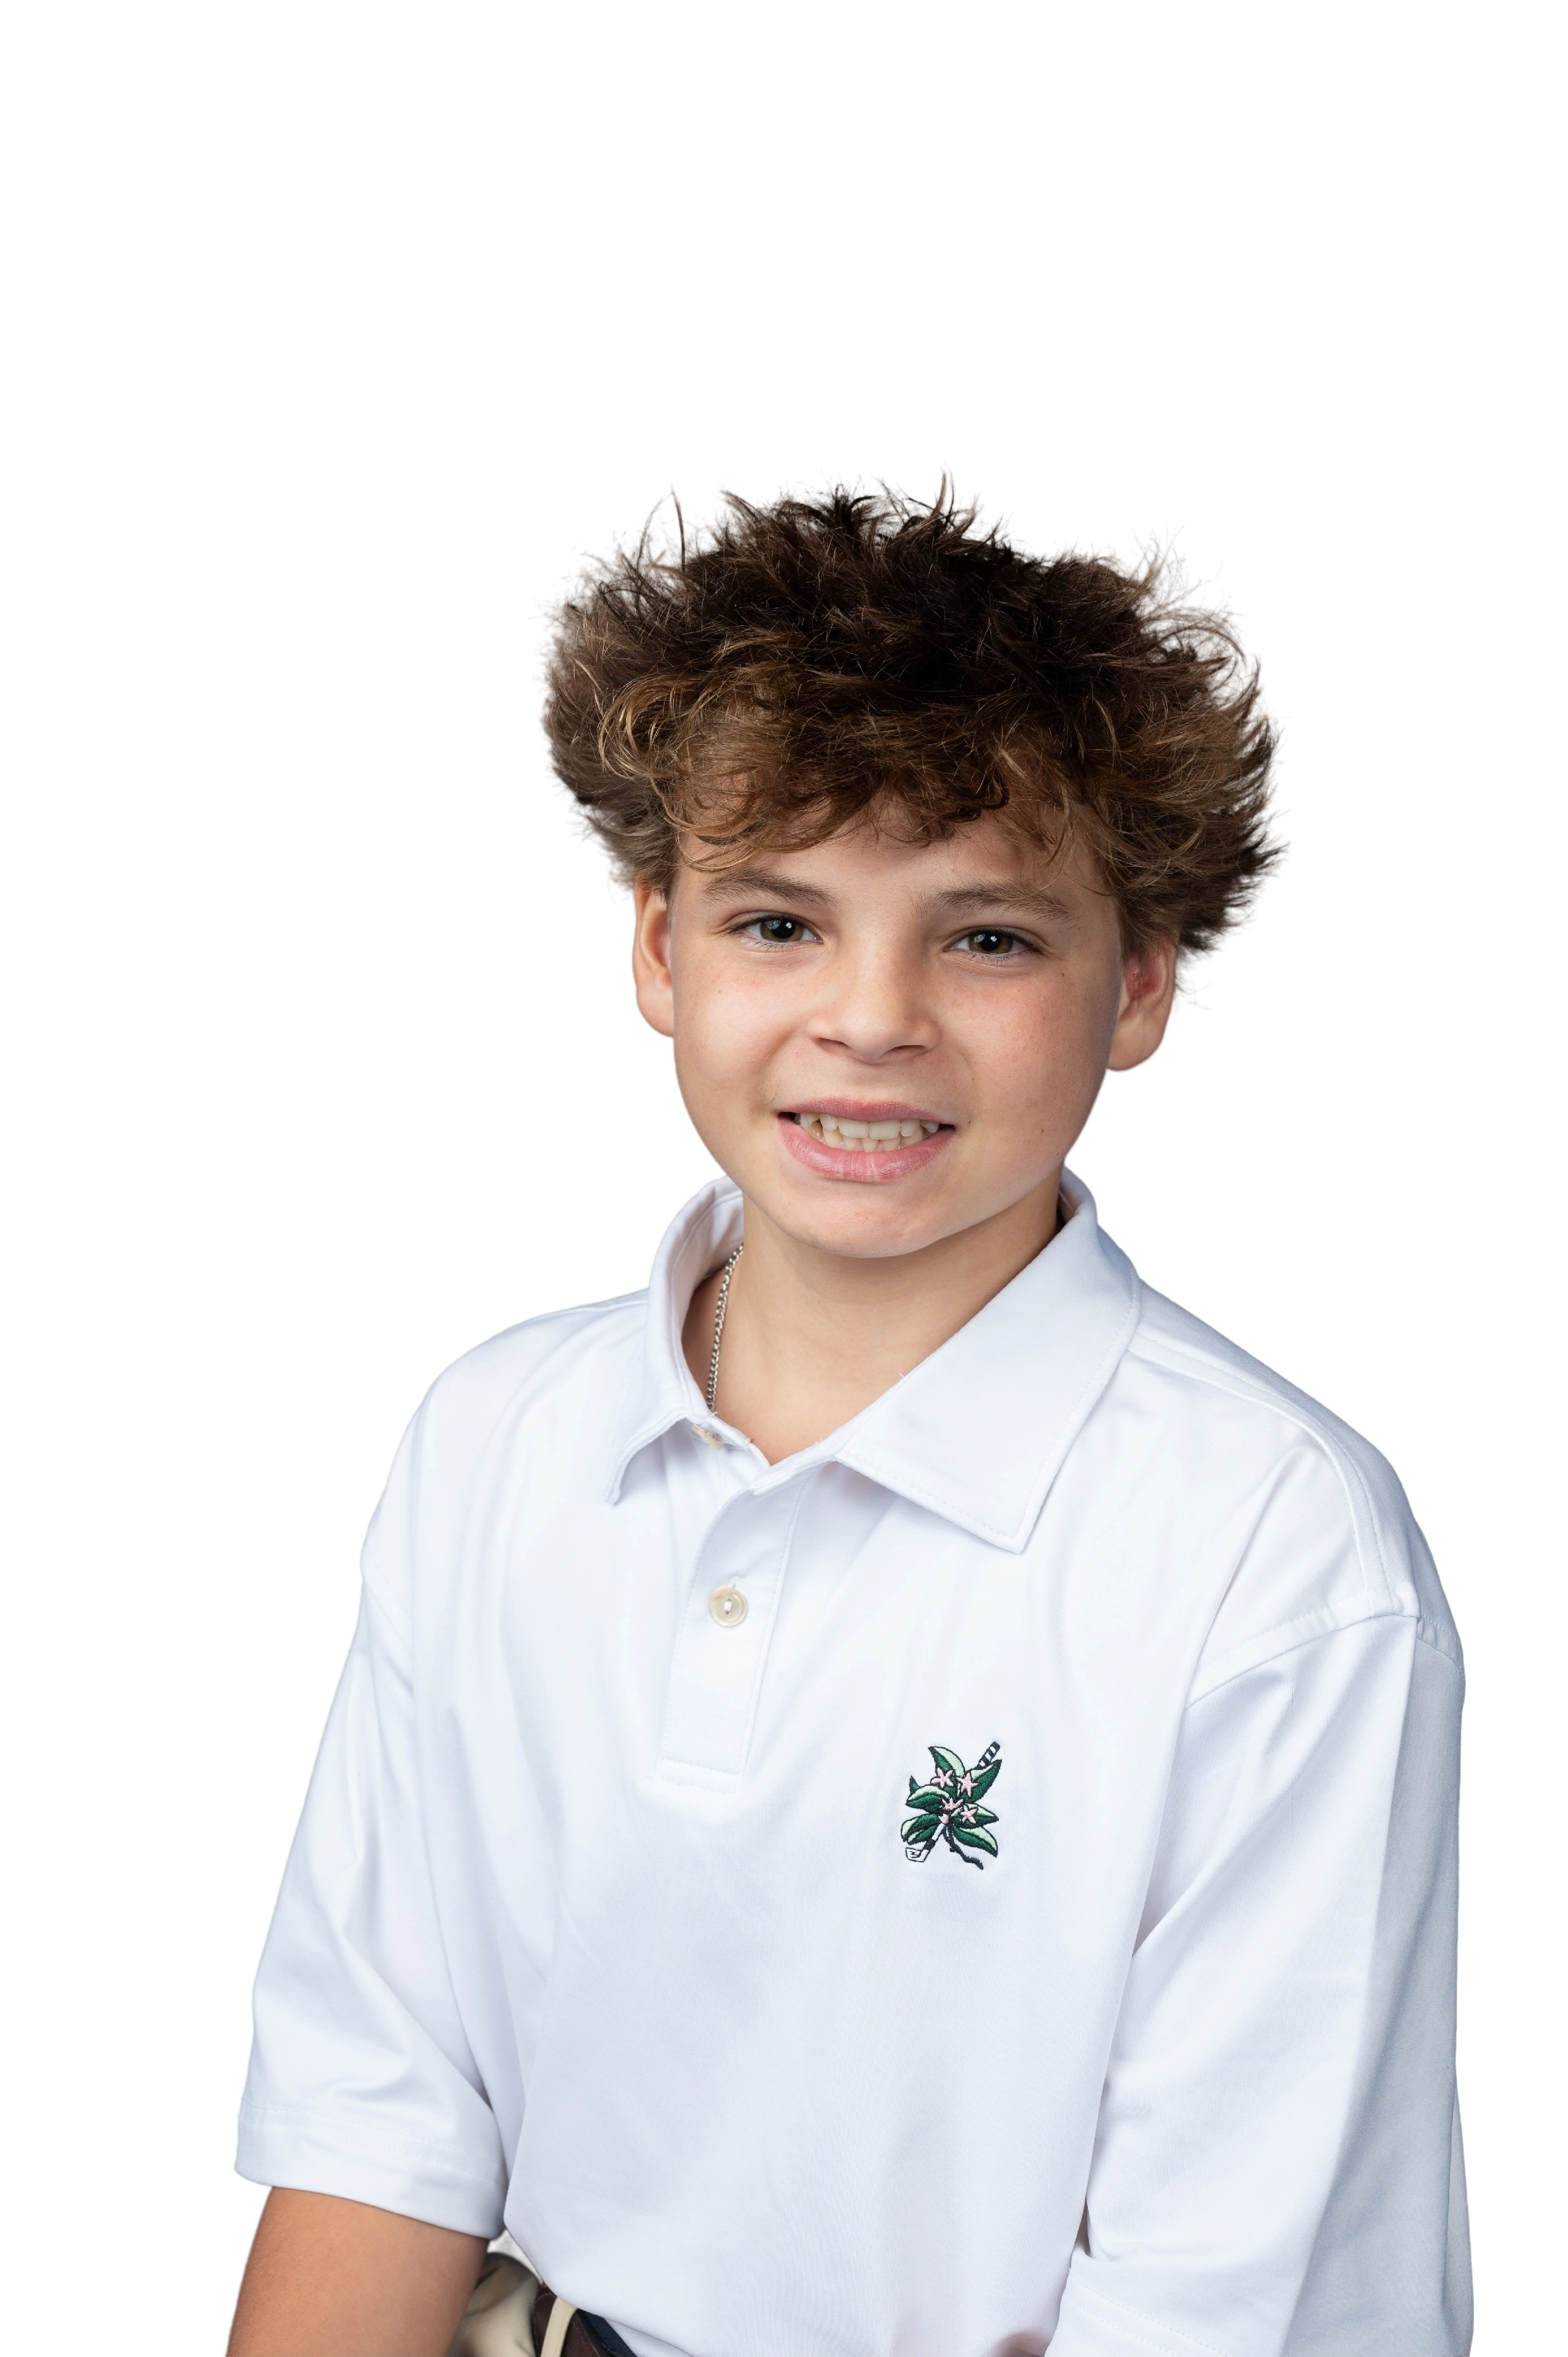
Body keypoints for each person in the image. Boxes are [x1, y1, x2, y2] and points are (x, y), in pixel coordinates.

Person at [226, 473, 1471, 2357]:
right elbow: (378, 2119)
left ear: (1139, 983)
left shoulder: (1268, 1550)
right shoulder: (493, 1440)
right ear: (659, 950)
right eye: (777, 923)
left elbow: (1224, 2298)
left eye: (987, 939)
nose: (870, 1018)